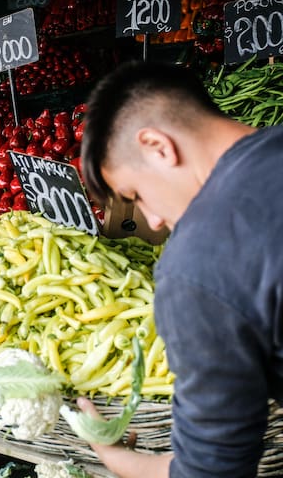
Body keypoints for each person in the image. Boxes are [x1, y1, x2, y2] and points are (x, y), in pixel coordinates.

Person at [79, 60, 281, 478]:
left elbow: (210, 471)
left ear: (157, 146)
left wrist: (113, 455)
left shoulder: (199, 261)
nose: (153, 222)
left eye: (135, 195)